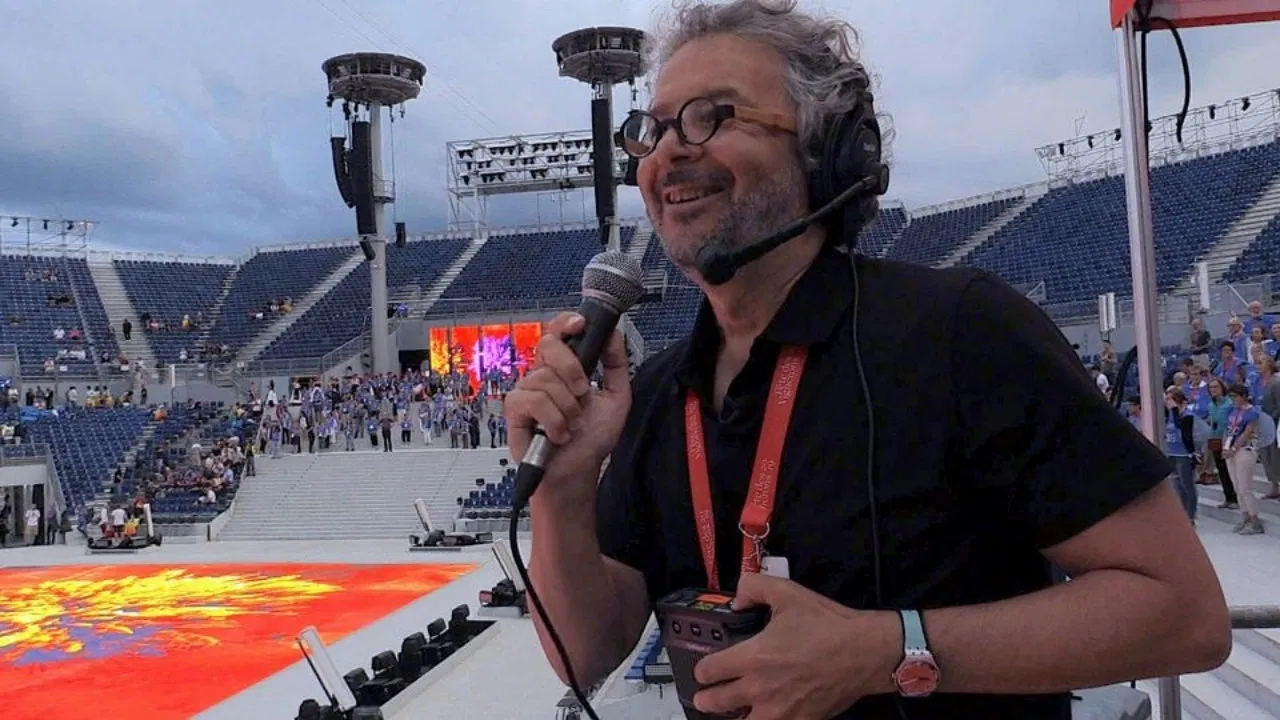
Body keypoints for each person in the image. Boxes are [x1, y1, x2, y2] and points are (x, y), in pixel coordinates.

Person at [504, 2, 1230, 718]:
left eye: (710, 116)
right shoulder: (659, 391)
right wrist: (560, 493)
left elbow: (1184, 612)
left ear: (827, 150)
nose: (667, 152)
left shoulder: (965, 331)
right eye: (653, 128)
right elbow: (584, 653)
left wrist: (886, 652)